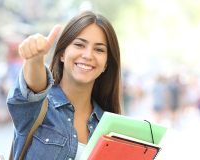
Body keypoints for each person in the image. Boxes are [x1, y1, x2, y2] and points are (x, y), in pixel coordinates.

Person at [7, 10, 122, 159]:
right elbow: (33, 89)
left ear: (106, 64)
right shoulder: (38, 107)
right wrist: (35, 59)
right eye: (79, 45)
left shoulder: (111, 127)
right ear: (62, 54)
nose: (88, 55)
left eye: (99, 49)